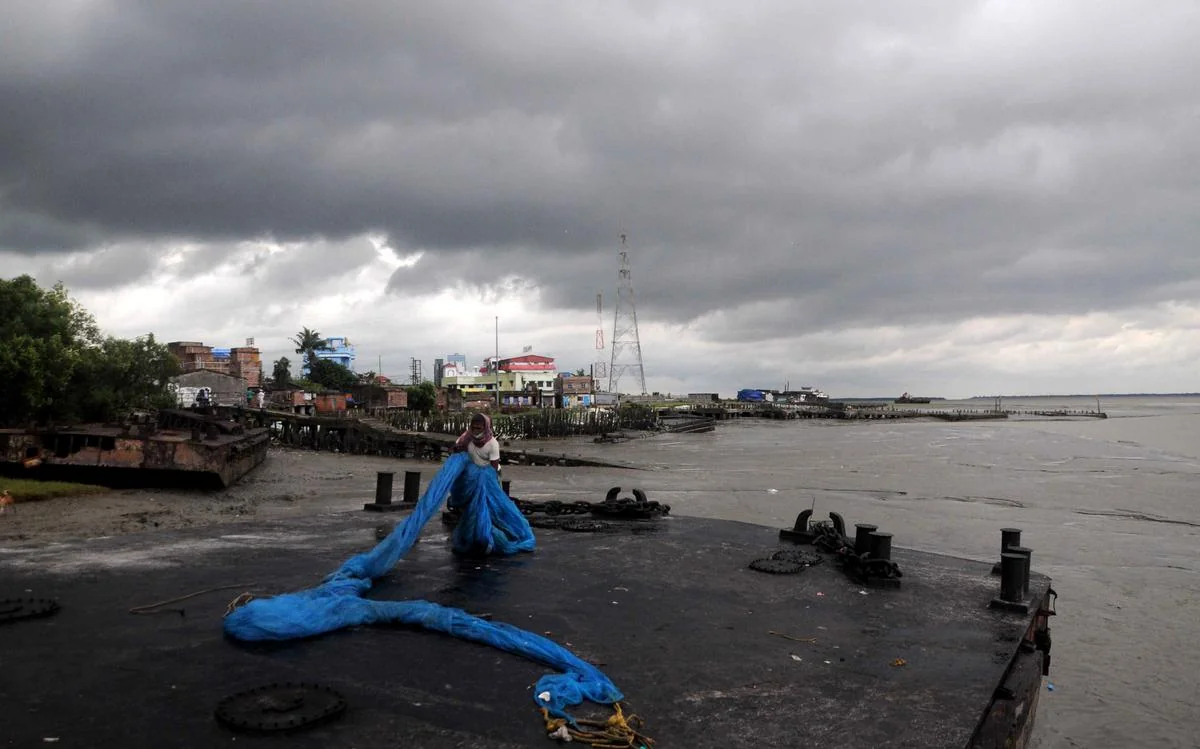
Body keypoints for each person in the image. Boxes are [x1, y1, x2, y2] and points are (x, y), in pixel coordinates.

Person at [452, 413, 501, 478]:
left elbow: (493, 468)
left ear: (486, 427)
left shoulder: (492, 444)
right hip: (473, 472)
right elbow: (455, 449)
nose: (475, 431)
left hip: (488, 473)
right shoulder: (466, 438)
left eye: (478, 428)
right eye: (473, 428)